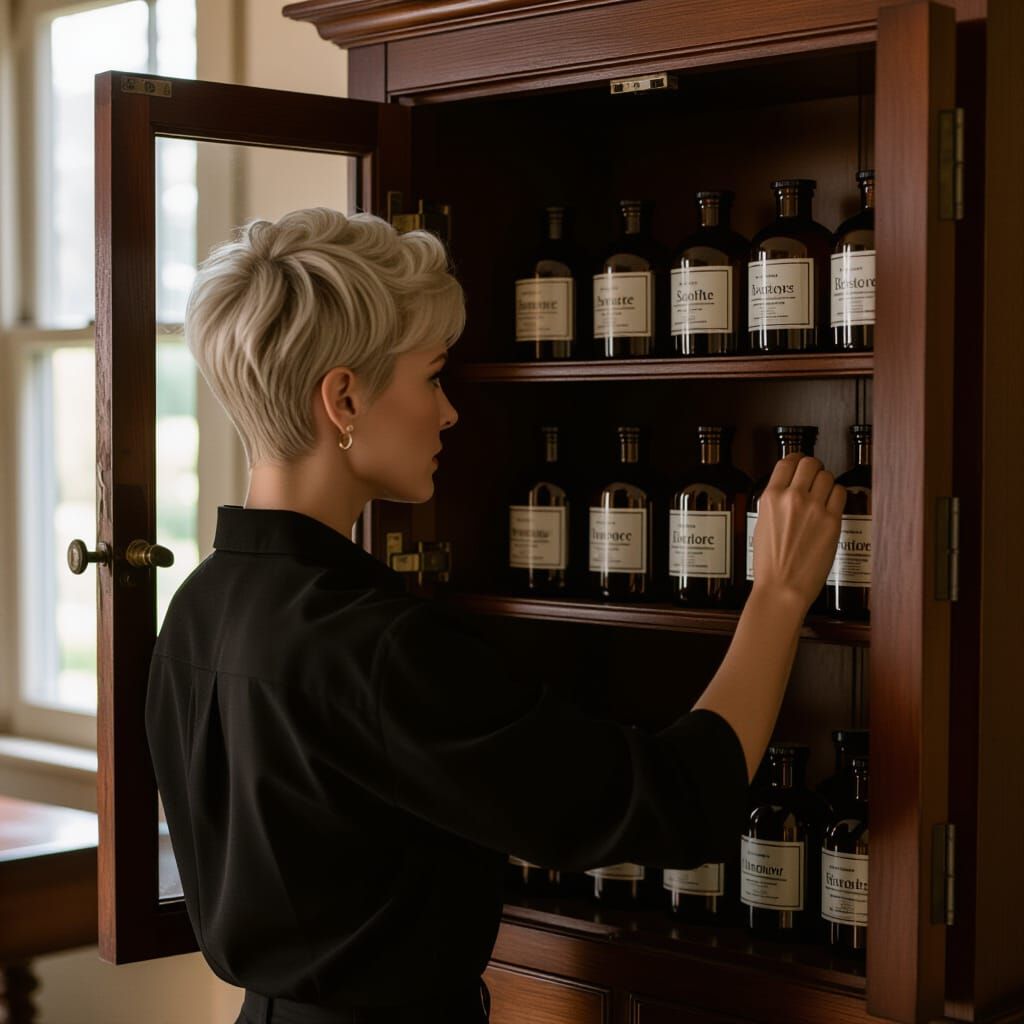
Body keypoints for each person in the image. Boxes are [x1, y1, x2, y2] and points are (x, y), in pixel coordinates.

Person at [144, 208, 845, 1024]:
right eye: (433, 376)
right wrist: (779, 597)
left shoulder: (196, 608)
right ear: (343, 397)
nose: (448, 413)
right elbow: (673, 806)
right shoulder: (380, 647)